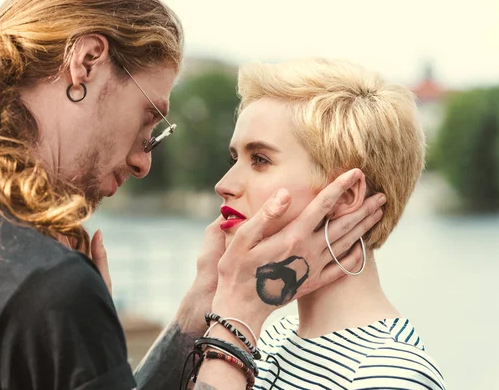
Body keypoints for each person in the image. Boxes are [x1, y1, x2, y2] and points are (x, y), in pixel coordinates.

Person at [0, 0, 383, 389]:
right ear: (87, 63)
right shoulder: (44, 283)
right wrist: (239, 316)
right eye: (149, 117)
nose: (143, 161)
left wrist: (200, 304)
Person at [189, 58, 446, 389]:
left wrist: (235, 313)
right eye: (234, 158)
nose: (224, 183)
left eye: (260, 160)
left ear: (345, 196)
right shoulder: (269, 340)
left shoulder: (389, 373)